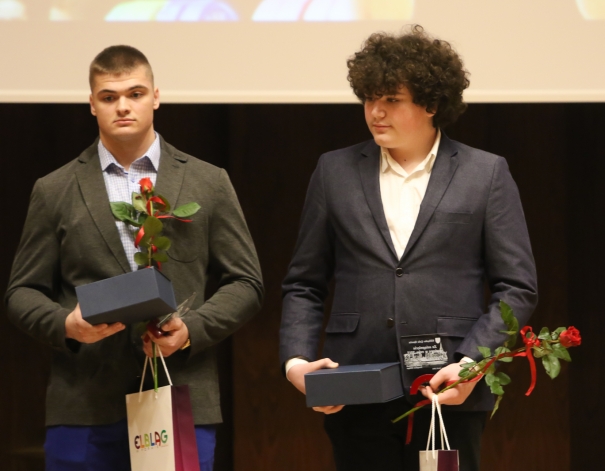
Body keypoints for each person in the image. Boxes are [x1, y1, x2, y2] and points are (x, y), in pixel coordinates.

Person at [280, 25, 537, 471]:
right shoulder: (333, 171)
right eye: (368, 98)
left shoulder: (485, 173)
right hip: (354, 386)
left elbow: (517, 287)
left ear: (431, 104)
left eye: (391, 99)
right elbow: (304, 282)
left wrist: (472, 364)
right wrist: (296, 362)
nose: (375, 112)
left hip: (449, 386)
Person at [5, 45, 263, 471]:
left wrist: (191, 330)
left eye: (135, 93)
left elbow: (247, 282)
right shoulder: (54, 189)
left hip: (180, 393)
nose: (123, 106)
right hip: (84, 401)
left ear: (155, 97)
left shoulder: (208, 181)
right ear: (92, 104)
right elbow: (21, 292)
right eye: (109, 97)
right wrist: (67, 325)